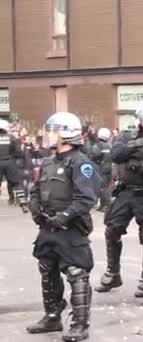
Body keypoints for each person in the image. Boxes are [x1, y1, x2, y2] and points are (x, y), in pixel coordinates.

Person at [26, 112, 101, 341]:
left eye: (53, 131)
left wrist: (65, 216)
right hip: (48, 227)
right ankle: (52, 317)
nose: (48, 135)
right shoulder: (48, 161)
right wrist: (35, 207)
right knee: (47, 269)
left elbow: (87, 198)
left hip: (70, 228)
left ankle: (80, 324)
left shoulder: (80, 163)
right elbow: (36, 189)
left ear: (66, 134)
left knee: (76, 272)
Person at [95, 103, 143, 298]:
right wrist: (136, 146)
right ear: (140, 121)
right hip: (126, 192)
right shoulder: (128, 136)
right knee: (112, 229)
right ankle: (113, 273)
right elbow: (116, 155)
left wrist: (139, 166)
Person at [0, 119, 28, 210]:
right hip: (10, 162)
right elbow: (19, 152)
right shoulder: (12, 138)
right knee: (17, 183)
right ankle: (23, 203)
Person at [93, 128, 113, 211]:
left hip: (101, 169)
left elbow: (95, 156)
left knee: (102, 188)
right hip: (108, 169)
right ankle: (104, 205)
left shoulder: (98, 146)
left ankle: (105, 205)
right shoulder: (110, 146)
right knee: (105, 187)